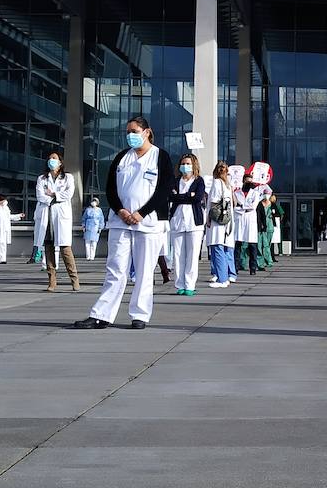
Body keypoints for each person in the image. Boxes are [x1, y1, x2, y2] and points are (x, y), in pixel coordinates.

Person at [72, 116, 173, 330]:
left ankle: (140, 315)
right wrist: (121, 210)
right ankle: (101, 315)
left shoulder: (159, 156)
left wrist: (141, 213)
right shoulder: (121, 158)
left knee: (145, 271)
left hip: (148, 223)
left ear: (147, 132)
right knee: (115, 269)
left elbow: (164, 189)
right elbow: (110, 189)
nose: (130, 136)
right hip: (120, 222)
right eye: (128, 132)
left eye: (135, 131)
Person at [35, 151, 79, 292]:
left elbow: (68, 194)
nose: (51, 161)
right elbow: (40, 196)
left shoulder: (68, 177)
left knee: (65, 249)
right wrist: (52, 197)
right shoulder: (42, 179)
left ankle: (74, 280)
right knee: (48, 248)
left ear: (60, 162)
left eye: (54, 158)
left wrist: (53, 194)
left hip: (61, 215)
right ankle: (52, 281)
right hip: (47, 216)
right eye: (49, 159)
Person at [169, 153, 207, 296]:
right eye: (183, 164)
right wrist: (186, 196)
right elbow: (171, 196)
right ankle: (180, 284)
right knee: (178, 254)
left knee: (192, 255)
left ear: (194, 165)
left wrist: (181, 197)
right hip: (177, 220)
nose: (185, 166)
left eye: (188, 164)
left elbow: (197, 198)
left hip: (194, 222)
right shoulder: (175, 180)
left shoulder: (199, 181)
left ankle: (190, 285)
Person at [205, 161, 236, 288]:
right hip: (226, 221)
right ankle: (225, 276)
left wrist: (208, 218)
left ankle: (222, 278)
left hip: (217, 221)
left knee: (217, 248)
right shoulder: (228, 185)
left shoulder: (217, 183)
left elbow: (213, 202)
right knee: (222, 248)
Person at [234, 172, 267, 275]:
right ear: (243, 181)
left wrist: (241, 206)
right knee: (238, 244)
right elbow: (235, 207)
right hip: (240, 218)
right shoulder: (237, 193)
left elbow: (252, 206)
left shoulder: (255, 193)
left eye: (250, 181)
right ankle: (236, 267)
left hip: (250, 219)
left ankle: (253, 268)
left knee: (252, 245)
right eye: (247, 181)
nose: (248, 183)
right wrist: (243, 207)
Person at [0, 195, 22, 264]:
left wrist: (18, 215)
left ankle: (3, 259)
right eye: (2, 200)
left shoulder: (6, 208)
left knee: (3, 243)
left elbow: (9, 216)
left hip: (4, 229)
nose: (4, 201)